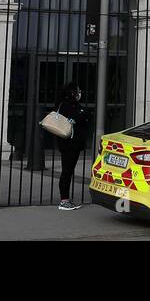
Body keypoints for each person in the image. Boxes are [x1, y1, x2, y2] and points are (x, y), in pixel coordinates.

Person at [55, 81, 89, 211]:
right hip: (69, 143)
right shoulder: (67, 105)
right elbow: (79, 116)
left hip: (70, 143)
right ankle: (64, 201)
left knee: (68, 171)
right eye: (78, 91)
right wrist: (82, 113)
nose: (80, 93)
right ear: (72, 92)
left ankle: (65, 200)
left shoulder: (68, 104)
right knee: (67, 172)